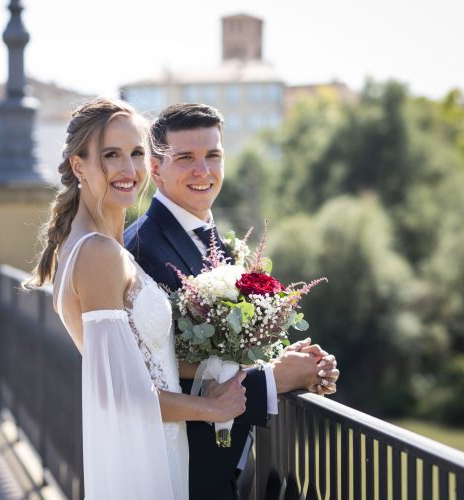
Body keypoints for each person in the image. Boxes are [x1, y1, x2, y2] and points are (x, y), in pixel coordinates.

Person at [27, 98, 249, 500]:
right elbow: (122, 394)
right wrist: (213, 410)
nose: (129, 170)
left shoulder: (98, 247)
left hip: (157, 442)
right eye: (111, 155)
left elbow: (147, 361)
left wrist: (231, 371)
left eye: (137, 154)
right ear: (80, 166)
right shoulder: (98, 254)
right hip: (144, 454)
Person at [124, 103, 340, 500]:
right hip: (185, 468)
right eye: (185, 158)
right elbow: (153, 372)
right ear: (155, 169)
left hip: (224, 464)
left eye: (213, 155)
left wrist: (289, 362)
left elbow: (221, 349)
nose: (202, 171)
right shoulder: (141, 249)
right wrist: (274, 380)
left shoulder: (211, 238)